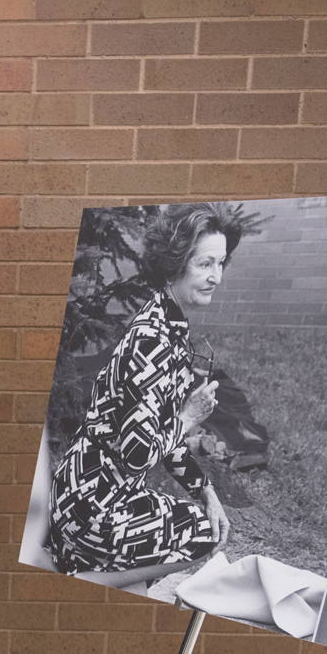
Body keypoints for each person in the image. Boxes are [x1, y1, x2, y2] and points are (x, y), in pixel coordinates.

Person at [45, 202, 257, 595]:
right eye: (205, 264)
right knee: (200, 533)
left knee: (200, 517)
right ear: (177, 263)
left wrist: (205, 490)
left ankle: (115, 579)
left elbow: (162, 435)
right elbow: (139, 453)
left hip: (87, 494)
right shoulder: (153, 340)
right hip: (90, 508)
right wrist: (189, 416)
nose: (217, 277)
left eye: (221, 263)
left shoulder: (167, 323)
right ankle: (81, 579)